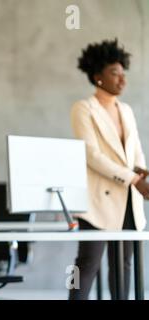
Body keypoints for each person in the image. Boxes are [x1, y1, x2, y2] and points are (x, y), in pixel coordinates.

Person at [69, 39, 149, 300]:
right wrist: (133, 178)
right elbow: (91, 155)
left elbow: (135, 149)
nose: (122, 80)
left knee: (123, 266)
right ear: (97, 76)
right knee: (87, 264)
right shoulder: (83, 108)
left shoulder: (125, 110)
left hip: (128, 199)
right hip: (98, 203)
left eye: (123, 73)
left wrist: (143, 173)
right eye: (114, 73)